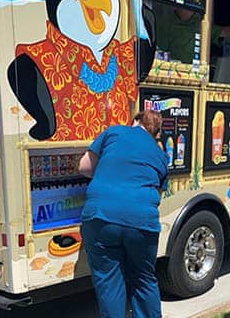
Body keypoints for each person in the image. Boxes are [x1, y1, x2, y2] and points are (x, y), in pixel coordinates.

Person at [79, 110, 168, 318]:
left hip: (101, 216)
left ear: (135, 121)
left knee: (109, 281)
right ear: (156, 133)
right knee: (144, 279)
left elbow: (84, 167)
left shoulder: (114, 133)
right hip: (141, 221)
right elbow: (158, 194)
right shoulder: (161, 155)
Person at [156, 7, 230, 63]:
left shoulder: (201, 23)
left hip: (196, 76)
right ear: (175, 6)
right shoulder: (165, 25)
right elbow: (159, 55)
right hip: (172, 77)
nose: (189, 9)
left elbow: (225, 32)